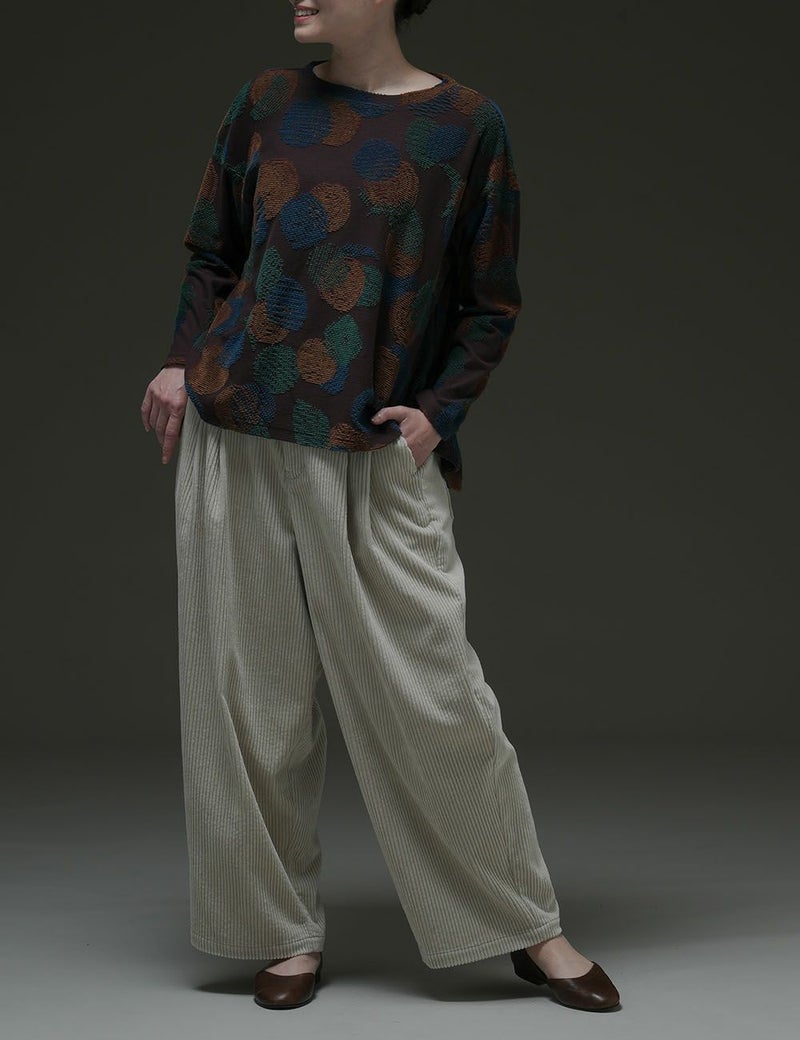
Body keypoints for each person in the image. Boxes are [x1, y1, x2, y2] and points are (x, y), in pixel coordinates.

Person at [141, 0, 621, 1014]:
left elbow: (490, 300)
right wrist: (182, 362)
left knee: (435, 699)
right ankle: (280, 932)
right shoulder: (265, 103)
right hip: (238, 429)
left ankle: (527, 924)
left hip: (366, 443)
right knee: (249, 700)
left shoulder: (465, 125)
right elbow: (213, 253)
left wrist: (437, 415)